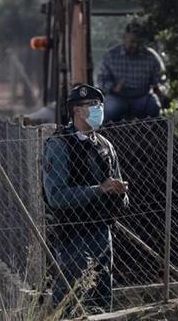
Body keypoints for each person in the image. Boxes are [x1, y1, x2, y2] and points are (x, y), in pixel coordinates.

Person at [43, 84, 129, 314]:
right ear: (76, 111)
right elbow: (56, 196)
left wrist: (120, 193)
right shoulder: (60, 145)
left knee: (102, 296)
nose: (98, 109)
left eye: (99, 105)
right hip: (72, 235)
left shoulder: (105, 145)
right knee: (71, 299)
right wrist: (98, 190)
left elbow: (120, 193)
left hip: (102, 231)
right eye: (92, 105)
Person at [97, 22, 167, 123]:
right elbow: (101, 79)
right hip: (118, 97)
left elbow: (161, 78)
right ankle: (108, 135)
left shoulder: (151, 57)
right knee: (109, 110)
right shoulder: (111, 56)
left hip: (142, 97)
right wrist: (113, 87)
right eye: (132, 41)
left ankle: (152, 136)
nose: (135, 45)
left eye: (138, 42)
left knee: (154, 107)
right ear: (124, 38)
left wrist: (159, 88)